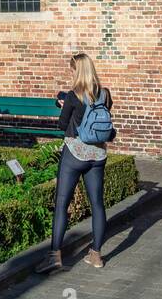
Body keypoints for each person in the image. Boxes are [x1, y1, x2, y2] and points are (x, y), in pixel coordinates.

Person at [36, 51, 114, 274]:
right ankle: (96, 255)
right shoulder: (105, 94)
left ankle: (54, 257)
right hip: (97, 156)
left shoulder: (73, 95)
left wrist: (64, 107)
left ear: (77, 71)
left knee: (62, 203)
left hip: (75, 154)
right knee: (97, 204)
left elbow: (62, 126)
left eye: (72, 70)